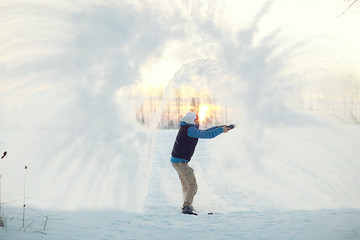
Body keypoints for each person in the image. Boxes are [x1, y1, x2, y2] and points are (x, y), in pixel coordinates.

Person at [170, 111, 232, 215]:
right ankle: (187, 206)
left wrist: (219, 127)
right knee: (193, 186)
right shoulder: (190, 130)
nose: (198, 121)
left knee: (187, 185)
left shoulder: (188, 128)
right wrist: (221, 130)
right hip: (180, 163)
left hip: (177, 162)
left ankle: (186, 204)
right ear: (191, 120)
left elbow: (205, 131)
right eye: (196, 120)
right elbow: (207, 134)